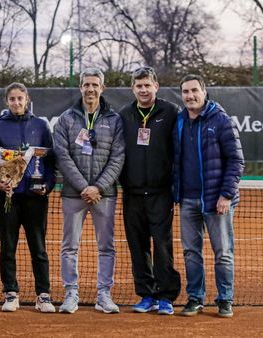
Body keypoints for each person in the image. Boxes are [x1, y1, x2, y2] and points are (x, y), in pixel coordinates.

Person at [53, 68, 125, 314]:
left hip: (104, 194)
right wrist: (85, 187)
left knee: (106, 246)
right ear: (80, 87)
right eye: (86, 84)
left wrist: (99, 187)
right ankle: (71, 293)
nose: (91, 89)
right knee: (69, 246)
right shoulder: (66, 119)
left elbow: (118, 157)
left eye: (95, 84)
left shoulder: (114, 120)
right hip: (75, 194)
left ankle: (104, 295)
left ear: (102, 88)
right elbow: (62, 156)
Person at [173, 74, 244, 318]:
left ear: (204, 91)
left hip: (217, 201)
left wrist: (225, 195)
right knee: (191, 253)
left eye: (194, 90)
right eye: (185, 92)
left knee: (223, 252)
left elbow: (236, 161)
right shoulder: (180, 120)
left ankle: (225, 300)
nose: (190, 96)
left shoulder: (221, 120)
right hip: (188, 200)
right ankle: (195, 298)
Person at [0, 82, 56, 313]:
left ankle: (43, 295)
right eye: (12, 99)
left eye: (20, 98)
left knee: (38, 247)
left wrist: (47, 185)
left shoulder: (41, 126)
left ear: (27, 99)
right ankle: (11, 293)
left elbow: (50, 161)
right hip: (7, 197)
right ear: (7, 101)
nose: (16, 103)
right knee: (8, 246)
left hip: (35, 198)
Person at [119, 66, 181, 315]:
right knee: (138, 246)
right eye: (139, 86)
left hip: (160, 192)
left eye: (147, 85)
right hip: (132, 193)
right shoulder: (124, 114)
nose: (143, 90)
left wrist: (174, 184)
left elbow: (178, 150)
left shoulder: (170, 112)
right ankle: (147, 294)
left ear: (156, 86)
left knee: (162, 246)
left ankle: (166, 296)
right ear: (133, 88)